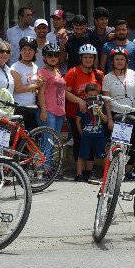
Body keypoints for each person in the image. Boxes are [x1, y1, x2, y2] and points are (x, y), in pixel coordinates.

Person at [65, 44, 105, 174]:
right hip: (75, 114)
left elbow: (102, 94)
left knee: (92, 143)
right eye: (85, 57)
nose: (88, 60)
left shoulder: (98, 74)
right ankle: (79, 172)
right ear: (81, 58)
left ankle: (89, 171)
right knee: (79, 142)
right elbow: (66, 92)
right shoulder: (73, 72)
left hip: (94, 116)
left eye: (91, 57)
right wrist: (79, 100)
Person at [102, 46, 135, 179]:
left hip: (132, 113)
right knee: (117, 144)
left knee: (132, 144)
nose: (119, 62)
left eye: (122, 59)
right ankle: (116, 170)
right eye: (117, 59)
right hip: (116, 113)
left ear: (126, 61)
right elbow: (106, 100)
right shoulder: (108, 77)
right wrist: (110, 118)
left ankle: (128, 170)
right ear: (112, 61)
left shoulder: (133, 74)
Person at [36, 43, 67, 171]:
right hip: (48, 111)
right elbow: (40, 93)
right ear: (44, 57)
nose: (53, 57)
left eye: (55, 55)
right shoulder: (42, 72)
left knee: (53, 141)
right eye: (50, 55)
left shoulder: (58, 71)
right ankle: (44, 169)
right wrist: (43, 110)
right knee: (46, 140)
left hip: (60, 112)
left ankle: (48, 168)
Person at [75, 84, 107, 184]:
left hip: (99, 136)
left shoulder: (102, 106)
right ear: (86, 95)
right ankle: (79, 174)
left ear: (99, 95)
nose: (92, 98)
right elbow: (77, 120)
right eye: (90, 95)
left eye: (95, 95)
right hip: (86, 136)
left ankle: (106, 175)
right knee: (82, 155)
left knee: (102, 155)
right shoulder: (83, 105)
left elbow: (105, 120)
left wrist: (100, 112)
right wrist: (81, 132)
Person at [10, 36, 41, 130]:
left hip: (32, 107)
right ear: (20, 51)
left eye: (30, 49)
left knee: (31, 139)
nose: (27, 52)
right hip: (19, 107)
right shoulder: (15, 67)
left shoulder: (35, 67)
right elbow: (18, 88)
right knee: (20, 140)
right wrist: (36, 85)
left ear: (35, 52)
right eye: (24, 49)